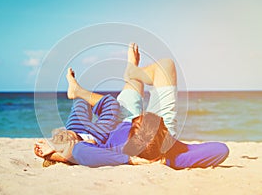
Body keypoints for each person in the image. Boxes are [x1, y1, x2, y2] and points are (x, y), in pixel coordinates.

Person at [34, 43, 229, 169]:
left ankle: (131, 73)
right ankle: (132, 71)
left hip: (125, 124)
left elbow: (79, 152)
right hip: (156, 133)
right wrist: (172, 151)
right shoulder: (174, 153)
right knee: (165, 67)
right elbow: (221, 149)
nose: (143, 115)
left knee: (135, 90)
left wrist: (130, 160)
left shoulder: (116, 150)